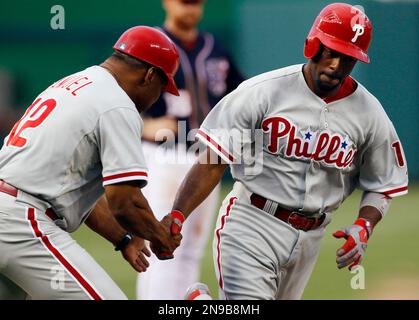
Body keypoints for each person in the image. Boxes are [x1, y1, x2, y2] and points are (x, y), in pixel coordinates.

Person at [174, 3, 409, 300]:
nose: (336, 64)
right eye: (331, 51)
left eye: (347, 57)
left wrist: (364, 225)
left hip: (312, 236)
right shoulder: (263, 91)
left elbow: (385, 183)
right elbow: (212, 160)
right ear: (312, 45)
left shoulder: (370, 113)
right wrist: (178, 215)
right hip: (252, 222)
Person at [0, 26, 183, 300]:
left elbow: (73, 193)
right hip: (21, 223)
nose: (159, 96)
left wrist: (124, 239)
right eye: (162, 86)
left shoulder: (73, 83)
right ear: (149, 75)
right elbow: (125, 202)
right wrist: (160, 235)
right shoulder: (118, 104)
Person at [136, 0, 243, 299]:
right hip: (165, 156)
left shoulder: (215, 48)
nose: (191, 8)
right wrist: (143, 125)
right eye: (184, 1)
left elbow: (242, 95)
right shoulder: (150, 44)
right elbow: (116, 99)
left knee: (191, 247)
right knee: (162, 245)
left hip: (204, 159)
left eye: (196, 2)